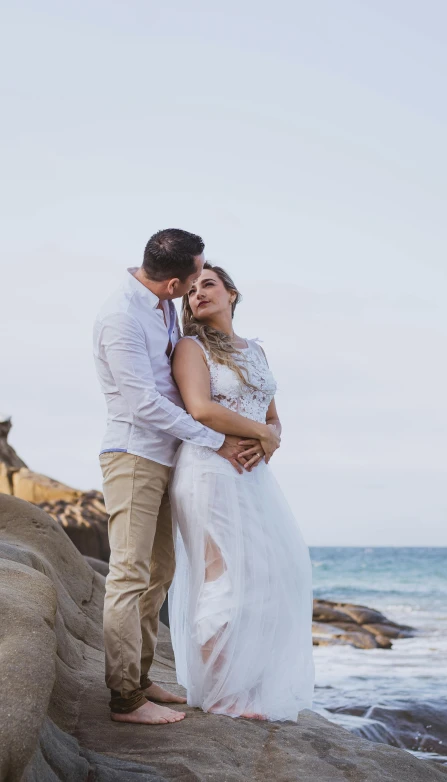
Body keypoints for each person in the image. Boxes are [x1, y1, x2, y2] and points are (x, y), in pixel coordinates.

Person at [93, 229, 280, 724]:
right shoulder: (122, 316)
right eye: (196, 276)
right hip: (135, 453)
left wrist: (260, 435)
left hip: (172, 457)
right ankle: (125, 700)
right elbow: (146, 404)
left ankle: (141, 676)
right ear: (176, 281)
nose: (199, 285)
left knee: (160, 574)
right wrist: (216, 440)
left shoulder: (163, 310)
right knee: (130, 574)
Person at [169, 263, 315, 721]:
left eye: (207, 285)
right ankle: (220, 691)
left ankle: (247, 684)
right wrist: (264, 435)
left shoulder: (257, 351)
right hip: (209, 471)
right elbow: (201, 408)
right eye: (190, 292)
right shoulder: (190, 348)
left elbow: (273, 416)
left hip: (253, 477)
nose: (198, 294)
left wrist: (271, 437)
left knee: (270, 578)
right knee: (223, 578)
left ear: (232, 294)